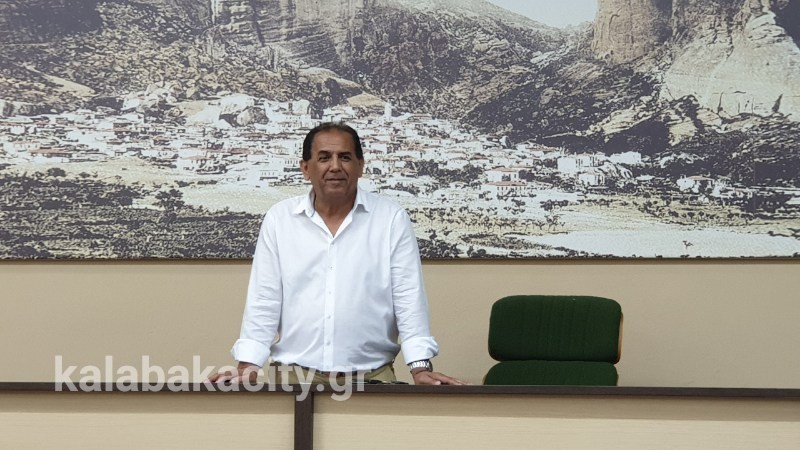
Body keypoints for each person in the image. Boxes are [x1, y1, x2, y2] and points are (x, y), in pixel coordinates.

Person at [210, 122, 463, 385]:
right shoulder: (280, 219)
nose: (335, 166)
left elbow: (408, 297)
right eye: (324, 158)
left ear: (360, 166)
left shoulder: (390, 218)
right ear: (305, 168)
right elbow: (264, 299)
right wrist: (248, 365)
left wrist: (420, 367)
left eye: (345, 157)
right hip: (294, 379)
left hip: (373, 378)